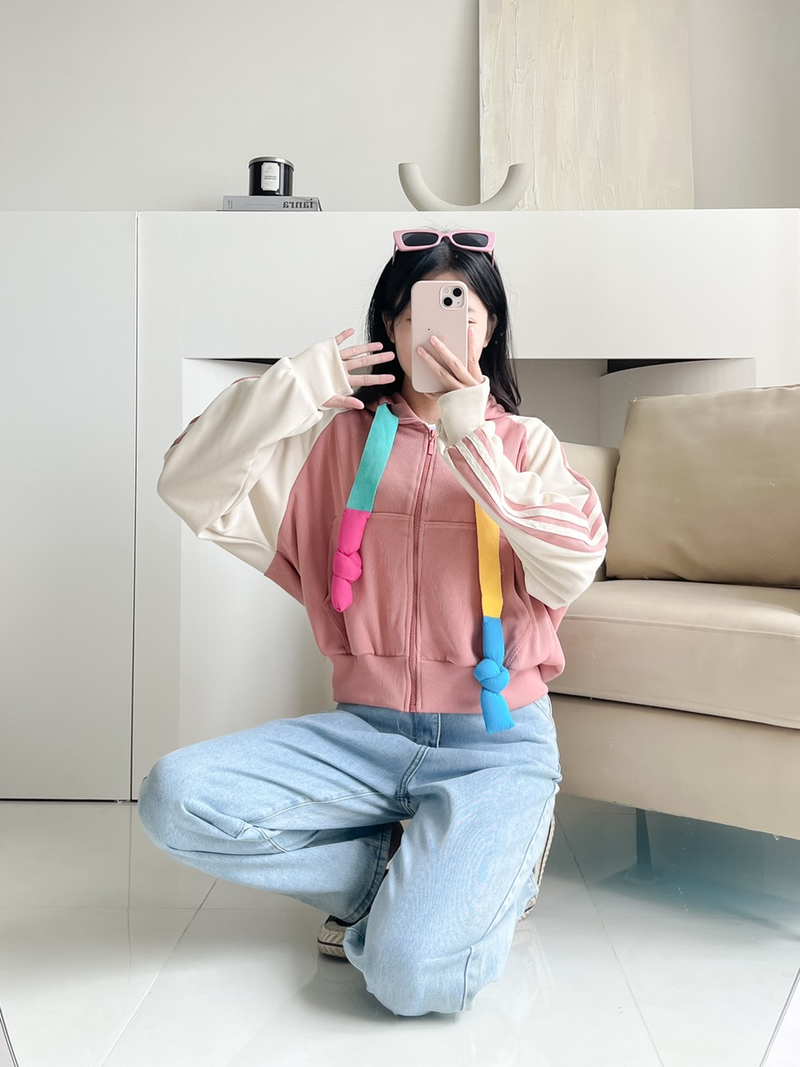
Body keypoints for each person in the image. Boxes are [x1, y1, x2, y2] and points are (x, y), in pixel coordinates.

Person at [137, 227, 608, 1018]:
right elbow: (188, 479)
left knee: (408, 975)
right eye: (420, 311)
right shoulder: (332, 444)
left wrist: (468, 433)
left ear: (490, 329)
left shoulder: (525, 445)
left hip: (496, 746)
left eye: (466, 312)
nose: (443, 331)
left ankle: (493, 871)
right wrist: (298, 384)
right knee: (173, 796)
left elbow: (574, 560)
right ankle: (390, 875)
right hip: (364, 733)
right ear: (390, 322)